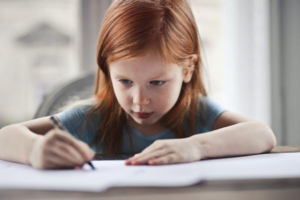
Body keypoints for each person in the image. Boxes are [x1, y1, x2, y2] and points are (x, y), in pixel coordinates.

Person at [0, 0, 276, 169]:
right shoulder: (90, 117)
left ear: (188, 69)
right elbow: (5, 136)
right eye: (125, 81)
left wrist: (197, 147)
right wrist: (34, 150)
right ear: (107, 70)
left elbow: (263, 135)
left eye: (157, 82)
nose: (139, 99)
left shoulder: (197, 113)